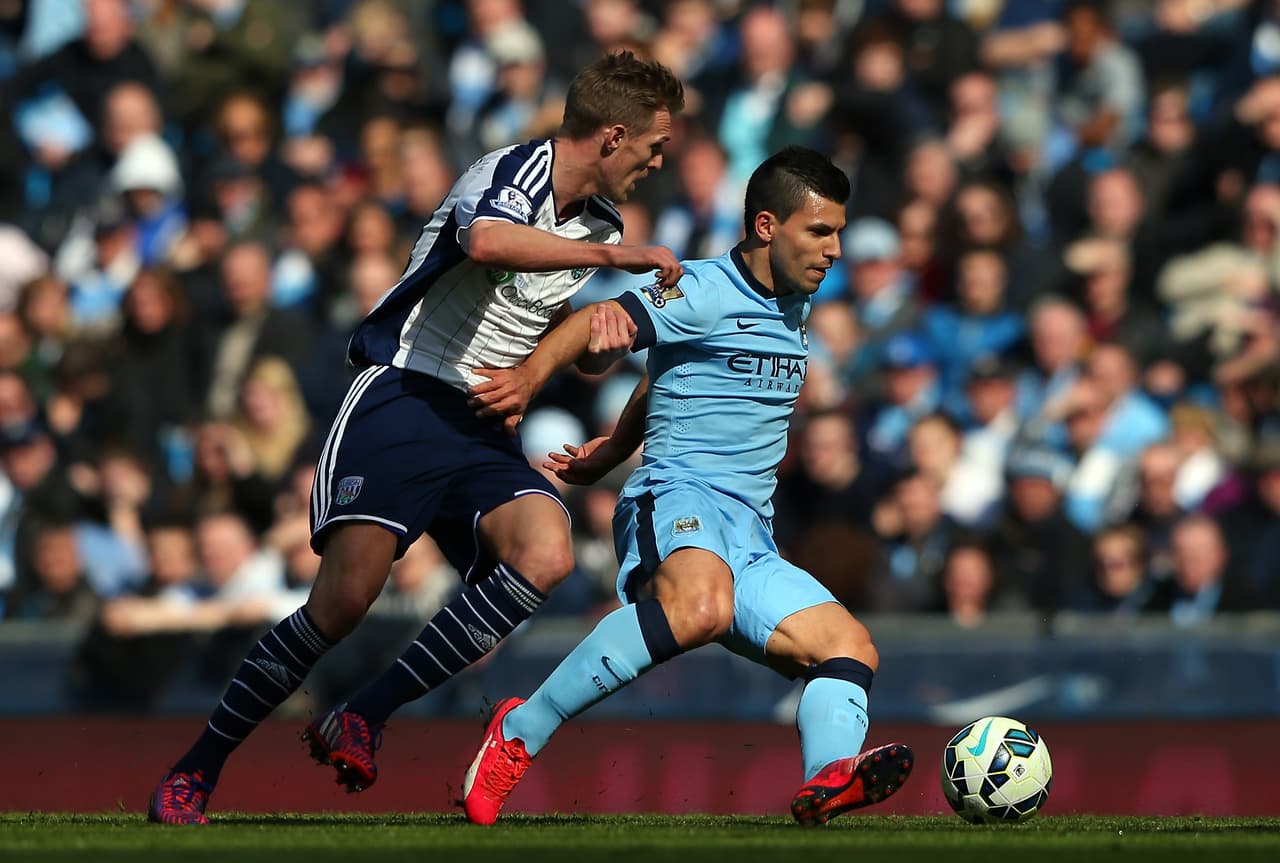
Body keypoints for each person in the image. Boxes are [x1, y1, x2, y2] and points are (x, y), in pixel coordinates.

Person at [147, 50, 686, 825]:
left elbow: (552, 334)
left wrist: (598, 347)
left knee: (547, 549)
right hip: (401, 395)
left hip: (480, 423)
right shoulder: (513, 173)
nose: (659, 158)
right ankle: (195, 768)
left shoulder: (600, 221)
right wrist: (614, 258)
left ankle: (364, 713)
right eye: (653, 143)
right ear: (611, 135)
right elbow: (489, 244)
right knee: (341, 605)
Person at [459, 146, 912, 827]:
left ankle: (826, 781)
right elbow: (596, 322)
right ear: (767, 225)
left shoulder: (796, 303)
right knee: (700, 605)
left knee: (849, 646)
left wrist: (613, 442)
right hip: (676, 497)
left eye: (840, 233)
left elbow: (670, 368)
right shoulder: (699, 286)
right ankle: (520, 729)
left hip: (749, 533)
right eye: (820, 231)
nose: (836, 250)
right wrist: (529, 377)